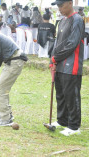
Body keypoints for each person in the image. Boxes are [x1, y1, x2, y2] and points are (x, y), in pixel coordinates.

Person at [50, 0, 84, 136]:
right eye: (58, 6)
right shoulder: (62, 21)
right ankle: (62, 120)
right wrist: (52, 59)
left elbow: (72, 43)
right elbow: (57, 42)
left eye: (61, 5)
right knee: (61, 94)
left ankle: (74, 126)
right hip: (59, 64)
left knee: (71, 95)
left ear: (70, 3)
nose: (59, 9)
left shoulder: (77, 20)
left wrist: (56, 58)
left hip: (72, 65)